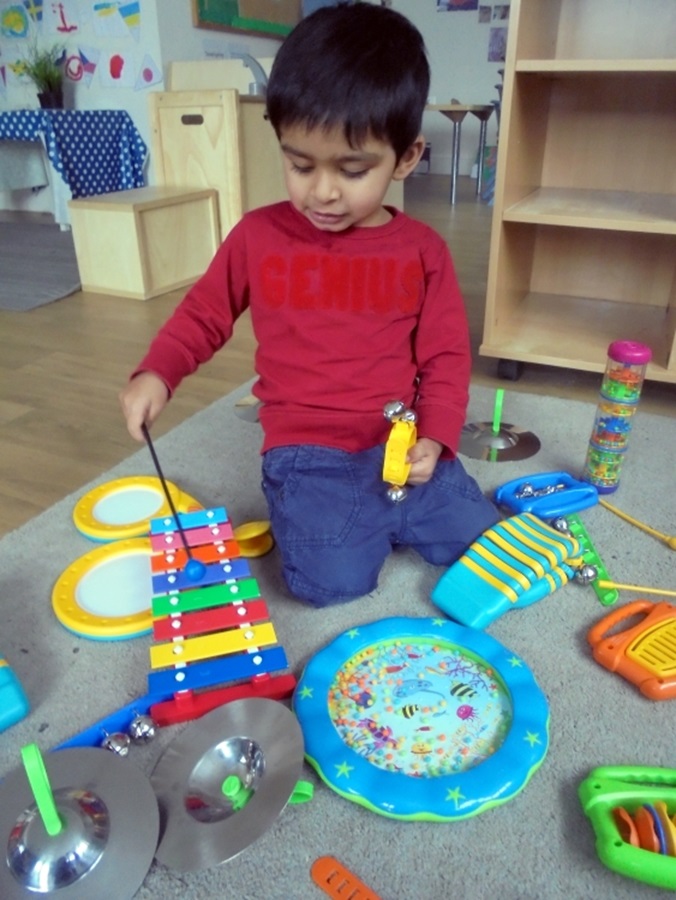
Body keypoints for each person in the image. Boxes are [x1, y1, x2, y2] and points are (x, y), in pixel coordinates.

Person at [119, 3, 499, 607]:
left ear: (406, 157)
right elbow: (203, 313)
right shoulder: (257, 236)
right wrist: (157, 371)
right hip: (308, 451)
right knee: (330, 585)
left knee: (482, 544)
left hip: (400, 435)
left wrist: (438, 436)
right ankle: (348, 520)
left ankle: (402, 511)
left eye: (351, 170)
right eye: (299, 164)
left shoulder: (424, 252)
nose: (321, 191)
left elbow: (447, 355)